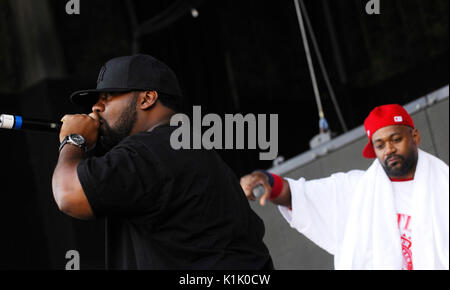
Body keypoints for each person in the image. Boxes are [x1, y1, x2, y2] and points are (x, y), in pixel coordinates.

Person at [52, 54, 273, 270]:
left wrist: (73, 139)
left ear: (146, 98)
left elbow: (69, 195)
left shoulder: (151, 149)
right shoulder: (185, 147)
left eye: (107, 97)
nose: (95, 108)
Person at [241, 104, 449, 270]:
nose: (389, 150)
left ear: (415, 137)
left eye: (396, 139)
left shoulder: (444, 186)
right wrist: (266, 180)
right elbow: (296, 195)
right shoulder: (355, 190)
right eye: (380, 145)